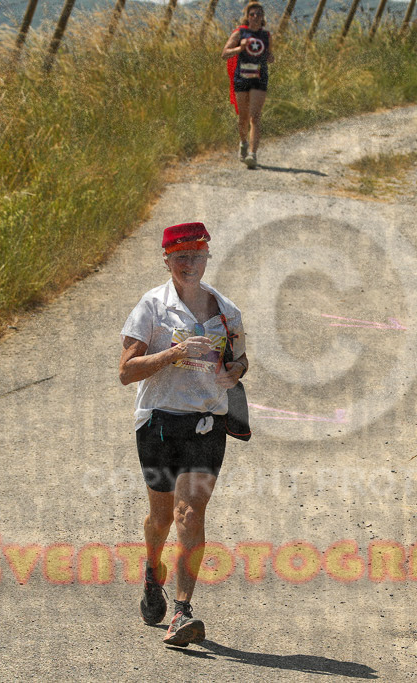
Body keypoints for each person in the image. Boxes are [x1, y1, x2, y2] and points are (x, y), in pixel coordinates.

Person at [118, 222, 248, 646]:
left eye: (197, 256)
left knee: (189, 514)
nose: (189, 264)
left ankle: (182, 611)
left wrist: (235, 371)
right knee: (160, 518)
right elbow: (126, 371)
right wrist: (174, 353)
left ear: (208, 257)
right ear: (167, 260)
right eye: (180, 258)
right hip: (158, 423)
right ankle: (151, 572)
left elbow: (241, 359)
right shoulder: (152, 306)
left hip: (207, 423)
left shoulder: (226, 311)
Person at [222, 1, 274, 169]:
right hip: (241, 78)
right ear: (247, 16)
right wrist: (240, 48)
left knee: (255, 117)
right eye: (252, 14)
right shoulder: (240, 33)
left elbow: (269, 55)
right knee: (243, 117)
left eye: (259, 14)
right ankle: (243, 143)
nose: (255, 17)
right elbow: (224, 54)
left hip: (259, 78)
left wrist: (270, 58)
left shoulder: (266, 35)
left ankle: (252, 155)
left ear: (263, 17)